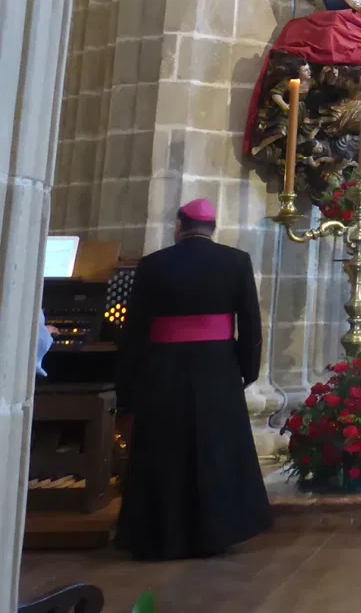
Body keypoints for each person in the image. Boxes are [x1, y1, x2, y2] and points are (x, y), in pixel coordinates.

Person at [115, 198, 272, 560]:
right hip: (217, 368)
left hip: (163, 368)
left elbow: (134, 329)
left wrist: (129, 384)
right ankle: (217, 532)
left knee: (165, 451)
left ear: (179, 226)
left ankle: (163, 534)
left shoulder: (153, 264)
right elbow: (250, 323)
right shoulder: (236, 262)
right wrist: (247, 369)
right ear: (212, 228)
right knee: (215, 449)